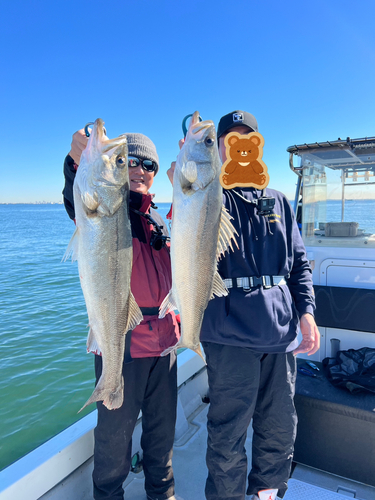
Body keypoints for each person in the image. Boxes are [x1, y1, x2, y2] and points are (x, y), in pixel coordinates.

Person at [175, 110, 319, 500]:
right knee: (228, 434)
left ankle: (266, 494)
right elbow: (185, 221)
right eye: (229, 139)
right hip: (229, 336)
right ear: (220, 149)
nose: (238, 145)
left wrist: (307, 313)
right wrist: (188, 167)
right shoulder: (208, 195)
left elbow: (299, 264)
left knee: (278, 428)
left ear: (257, 145)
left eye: (247, 138)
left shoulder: (279, 200)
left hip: (280, 335)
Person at [63, 128, 180, 500]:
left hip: (165, 350)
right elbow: (78, 200)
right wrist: (75, 162)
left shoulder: (158, 220)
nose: (140, 170)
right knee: (114, 446)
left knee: (161, 442)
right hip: (123, 345)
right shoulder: (110, 207)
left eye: (149, 165)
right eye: (129, 161)